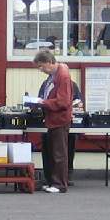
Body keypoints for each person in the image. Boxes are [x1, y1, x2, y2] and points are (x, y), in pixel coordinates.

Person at [33, 48, 72, 193]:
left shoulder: (63, 76)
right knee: (51, 152)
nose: (41, 69)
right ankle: (52, 182)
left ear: (49, 62)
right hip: (52, 119)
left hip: (59, 120)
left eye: (41, 66)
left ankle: (60, 184)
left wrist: (42, 103)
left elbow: (63, 102)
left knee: (59, 153)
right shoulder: (54, 76)